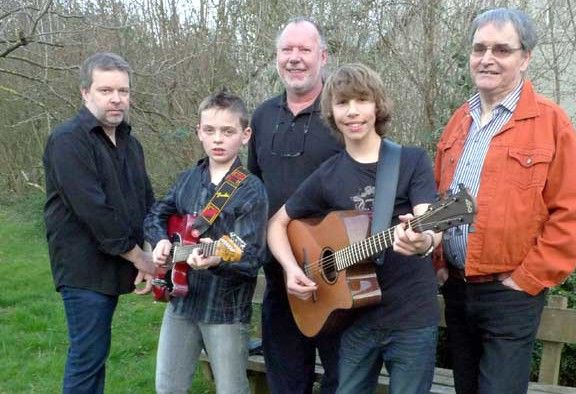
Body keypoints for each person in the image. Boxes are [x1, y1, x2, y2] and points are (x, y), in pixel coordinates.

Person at [433, 8, 576, 393]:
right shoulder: (460, 121)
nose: (487, 59)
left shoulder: (550, 123)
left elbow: (571, 214)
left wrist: (528, 279)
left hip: (509, 296)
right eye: (479, 48)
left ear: (525, 58)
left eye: (502, 50)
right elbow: (439, 200)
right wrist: (438, 262)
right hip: (456, 289)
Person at [268, 63, 442, 394]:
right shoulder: (327, 174)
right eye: (342, 103)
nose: (352, 112)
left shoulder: (411, 161)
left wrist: (425, 240)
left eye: (361, 100)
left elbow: (429, 218)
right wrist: (292, 270)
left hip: (411, 318)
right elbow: (278, 223)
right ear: (331, 113)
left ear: (377, 106)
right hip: (352, 318)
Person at [43, 52, 156, 393]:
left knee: (95, 355)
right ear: (84, 92)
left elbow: (145, 202)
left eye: (123, 91)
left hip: (115, 263)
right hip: (84, 269)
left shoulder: (130, 144)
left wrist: (150, 250)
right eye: (106, 90)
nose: (116, 99)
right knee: (87, 358)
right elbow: (94, 211)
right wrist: (140, 257)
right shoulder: (68, 140)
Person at [144, 89, 268, 394]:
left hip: (224, 311)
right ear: (199, 132)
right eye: (210, 130)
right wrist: (160, 241)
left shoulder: (252, 190)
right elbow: (156, 214)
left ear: (245, 135)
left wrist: (217, 258)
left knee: (230, 389)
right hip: (181, 304)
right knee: (167, 386)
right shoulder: (187, 179)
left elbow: (251, 256)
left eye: (228, 131)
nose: (218, 139)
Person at [248, 16, 343, 393]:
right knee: (286, 382)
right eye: (287, 50)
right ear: (276, 58)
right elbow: (253, 190)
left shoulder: (342, 115)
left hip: (337, 275)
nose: (295, 58)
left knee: (342, 380)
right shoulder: (261, 116)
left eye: (304, 49)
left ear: (323, 57)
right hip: (279, 277)